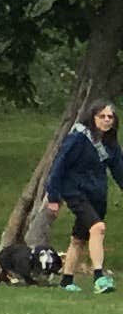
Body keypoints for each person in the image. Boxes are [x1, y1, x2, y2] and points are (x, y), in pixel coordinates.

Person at [50, 100, 121, 293]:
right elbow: (59, 165)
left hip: (97, 195)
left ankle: (66, 280)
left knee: (78, 239)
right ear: (93, 118)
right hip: (75, 192)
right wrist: (53, 196)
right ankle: (99, 278)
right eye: (102, 116)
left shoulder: (111, 144)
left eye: (110, 117)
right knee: (98, 228)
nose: (107, 120)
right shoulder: (78, 139)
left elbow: (118, 170)